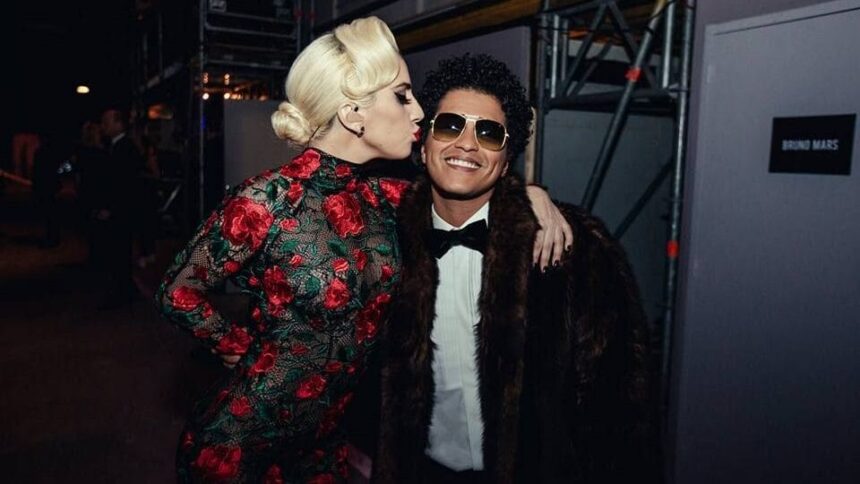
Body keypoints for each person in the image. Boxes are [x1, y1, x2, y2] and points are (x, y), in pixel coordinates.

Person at [156, 18, 570, 483]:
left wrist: (532, 194)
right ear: (354, 114)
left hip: (323, 448)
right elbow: (176, 292)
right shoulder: (266, 200)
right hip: (238, 447)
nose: (419, 112)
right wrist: (239, 348)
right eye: (402, 96)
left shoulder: (385, 198)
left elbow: (469, 188)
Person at [373, 54, 656, 484]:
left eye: (489, 133)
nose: (467, 144)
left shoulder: (572, 248)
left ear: (506, 160)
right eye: (449, 125)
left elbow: (619, 406)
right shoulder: (378, 243)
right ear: (424, 143)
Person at [96, 107, 143, 308]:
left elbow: (122, 183)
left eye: (107, 122)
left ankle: (122, 292)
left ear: (119, 124)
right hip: (123, 209)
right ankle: (124, 289)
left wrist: (110, 207)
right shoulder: (119, 147)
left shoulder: (124, 148)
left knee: (119, 250)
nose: (103, 127)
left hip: (122, 210)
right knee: (119, 250)